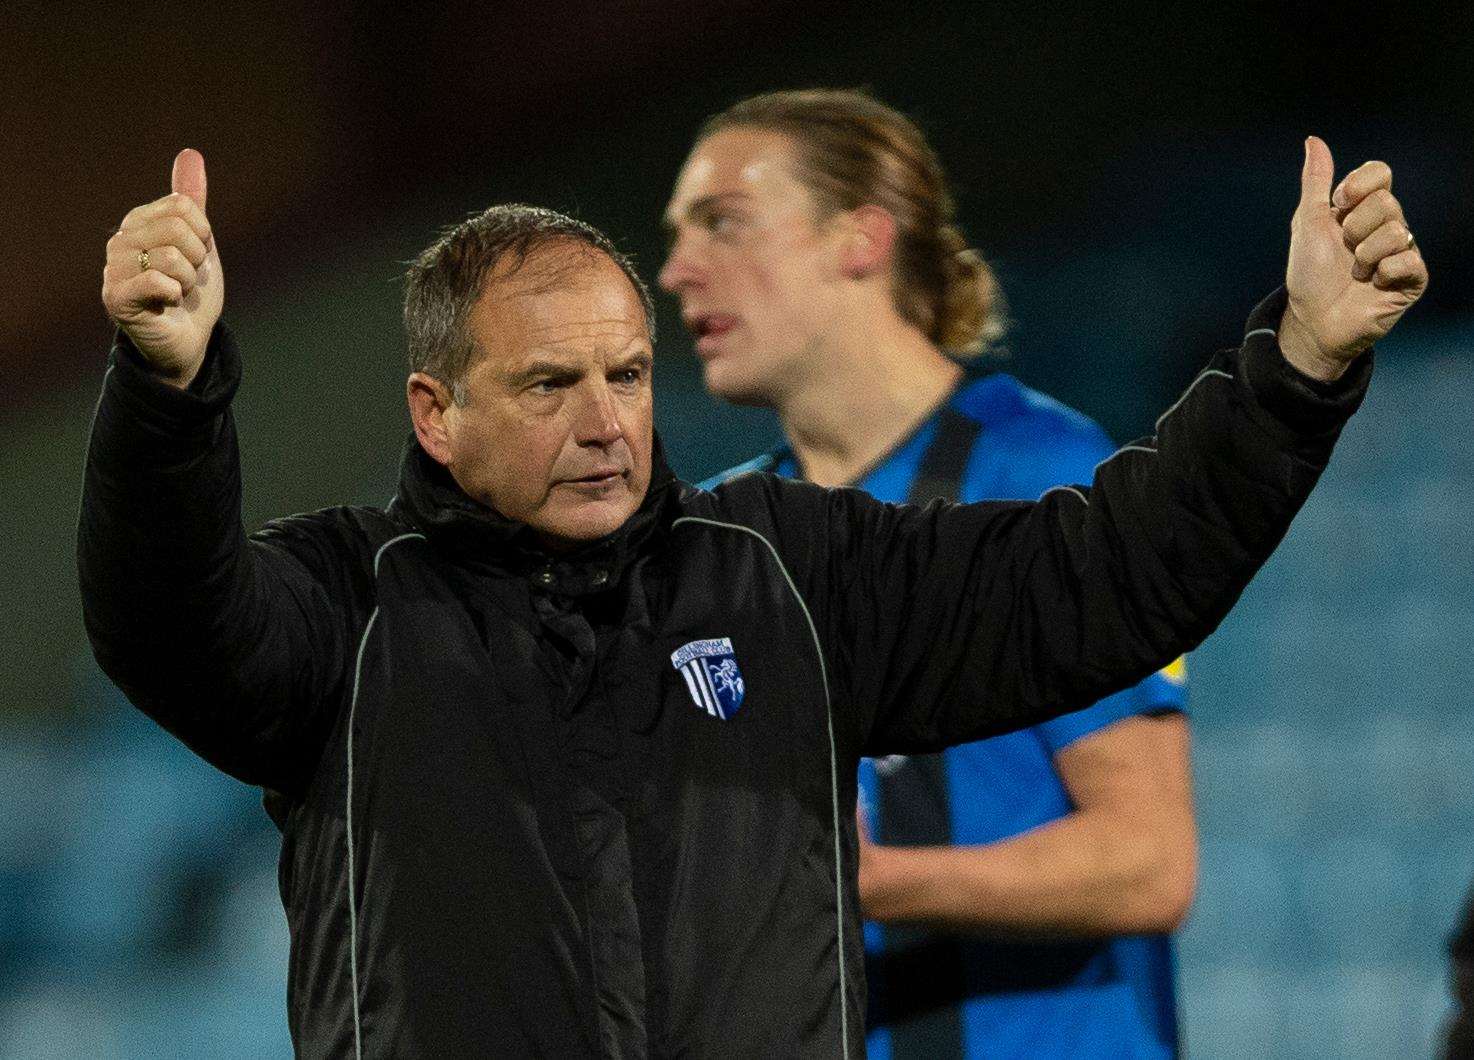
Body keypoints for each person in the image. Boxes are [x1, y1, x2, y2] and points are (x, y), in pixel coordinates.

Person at [80, 141, 1421, 1057]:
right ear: (437, 413)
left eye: (625, 375)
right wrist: (166, 393)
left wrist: (1295, 367)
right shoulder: (348, 608)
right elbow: (168, 623)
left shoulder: (786, 570)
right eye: (551, 386)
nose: (606, 422)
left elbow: (1100, 581)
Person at [656, 89, 1195, 1057]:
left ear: (858, 238)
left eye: (724, 223)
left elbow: (1147, 862)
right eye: (679, 234)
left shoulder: (1037, 474)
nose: (678, 270)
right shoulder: (719, 534)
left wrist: (869, 882)